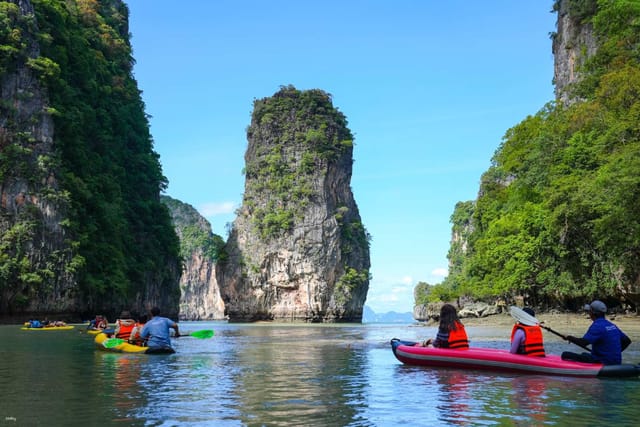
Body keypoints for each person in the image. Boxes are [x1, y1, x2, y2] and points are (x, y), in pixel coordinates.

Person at [561, 300, 631, 365]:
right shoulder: (611, 325)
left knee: (565, 354)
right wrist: (613, 353)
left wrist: (568, 337)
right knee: (584, 354)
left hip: (602, 362)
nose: (588, 313)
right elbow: (627, 341)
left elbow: (583, 343)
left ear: (592, 313)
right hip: (616, 361)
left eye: (589, 311)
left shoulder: (597, 326)